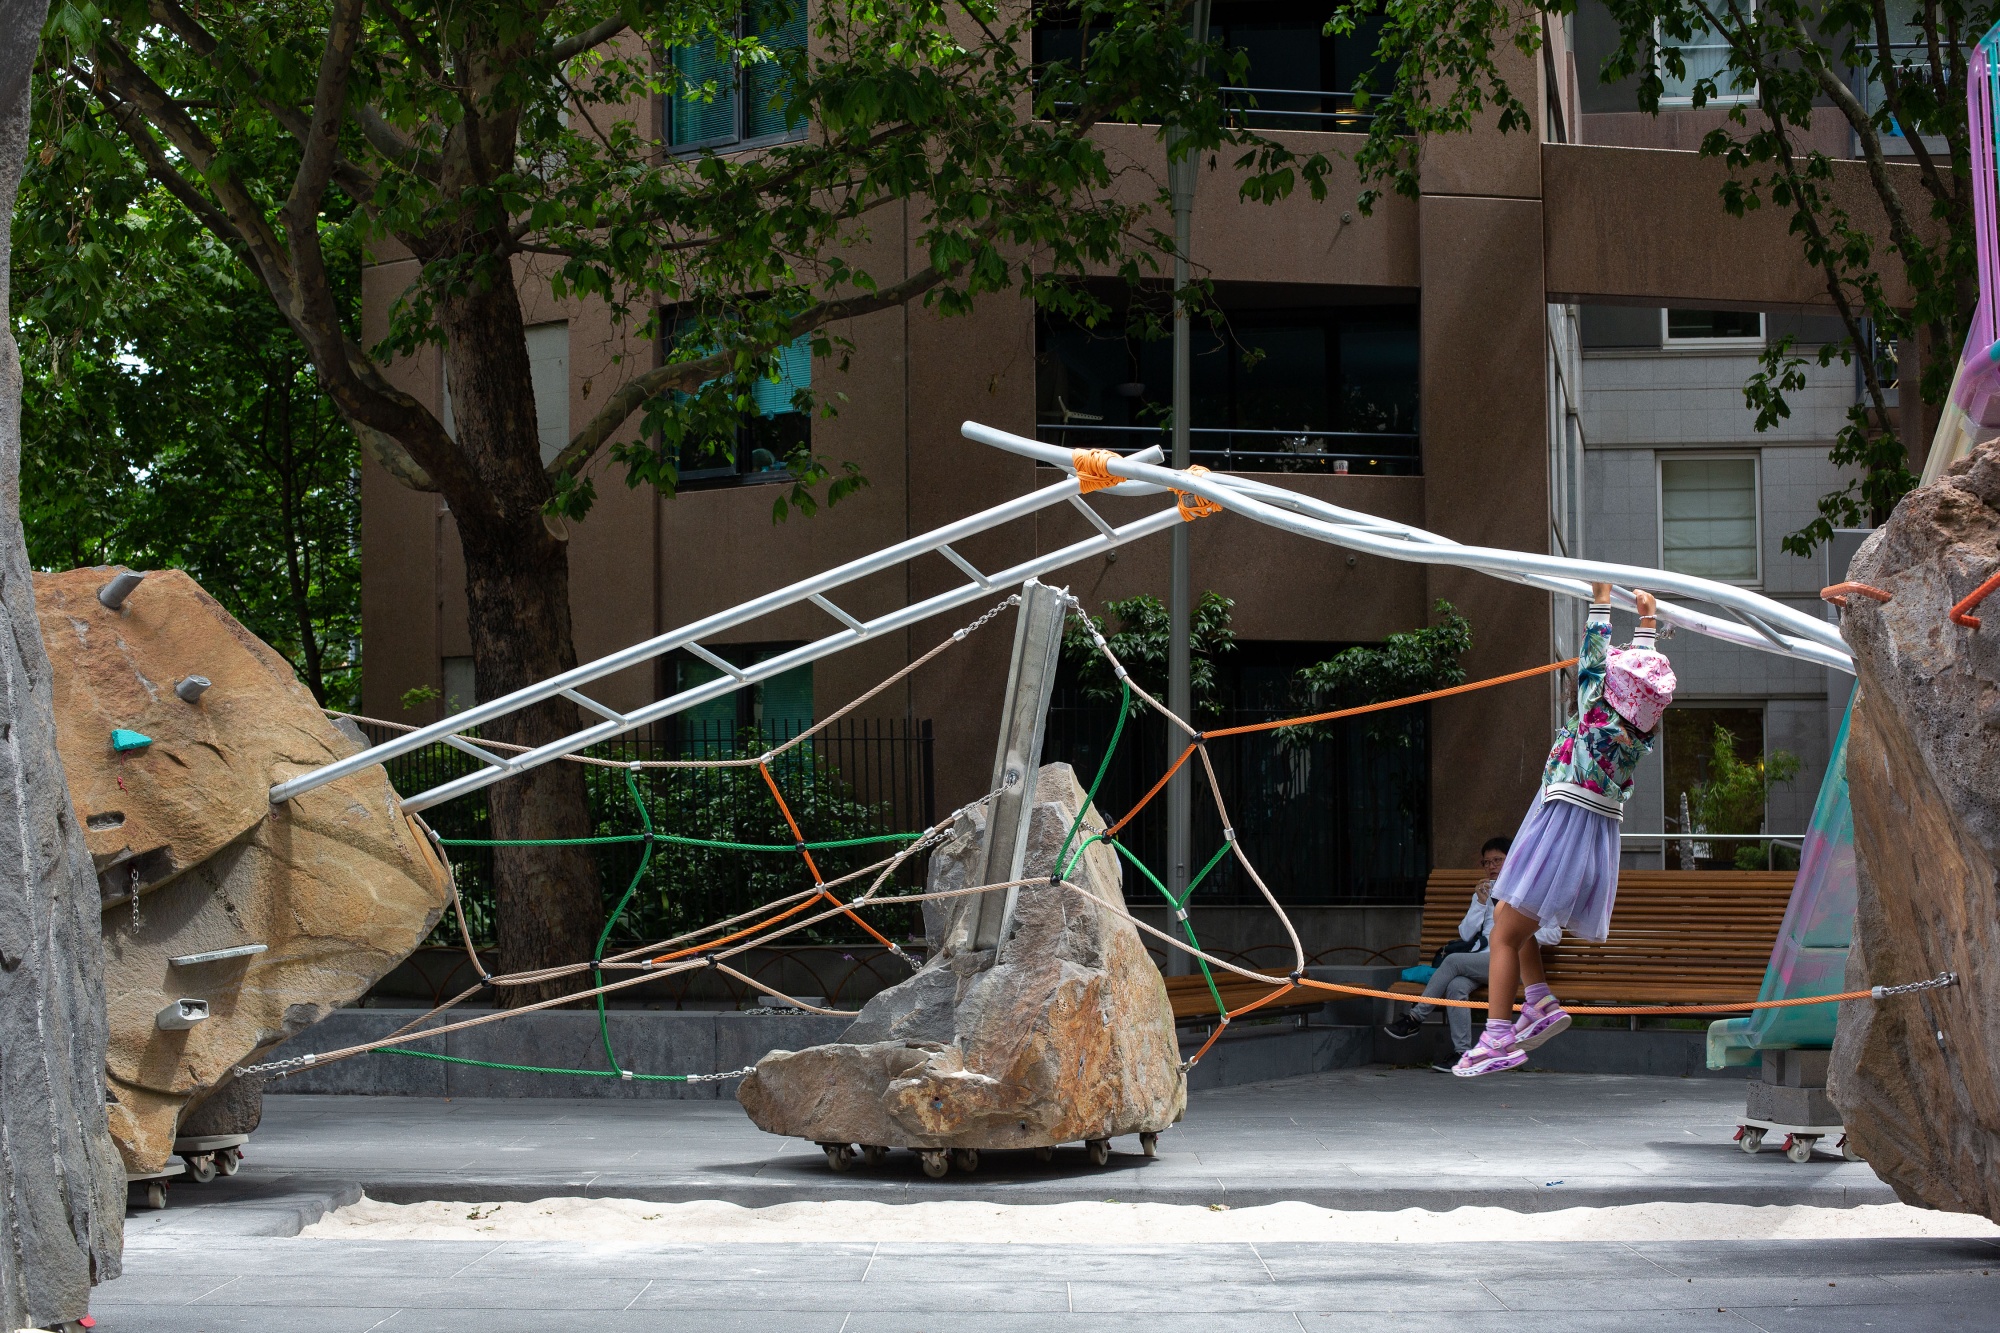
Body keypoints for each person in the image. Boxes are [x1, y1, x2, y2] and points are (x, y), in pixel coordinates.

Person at [1453, 583, 1675, 1078]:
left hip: (1560, 827)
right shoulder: (1636, 731)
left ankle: (1496, 1037)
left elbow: (1594, 653)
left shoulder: (1595, 711)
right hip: (1589, 836)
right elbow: (1644, 679)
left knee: (1505, 934)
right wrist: (1646, 624)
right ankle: (1539, 1001)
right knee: (1510, 908)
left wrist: (1600, 598)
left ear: (1608, 690)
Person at [1383, 836, 1559, 1063]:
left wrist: (1519, 931)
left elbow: (1554, 935)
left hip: (1511, 965)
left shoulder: (1531, 892)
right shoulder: (1486, 892)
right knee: (1456, 987)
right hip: (1481, 962)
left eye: (1498, 860)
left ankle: (1415, 1018)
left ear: (1514, 860)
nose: (1491, 866)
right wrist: (1478, 903)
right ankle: (1461, 1052)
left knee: (1454, 961)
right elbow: (1466, 934)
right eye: (1486, 862)